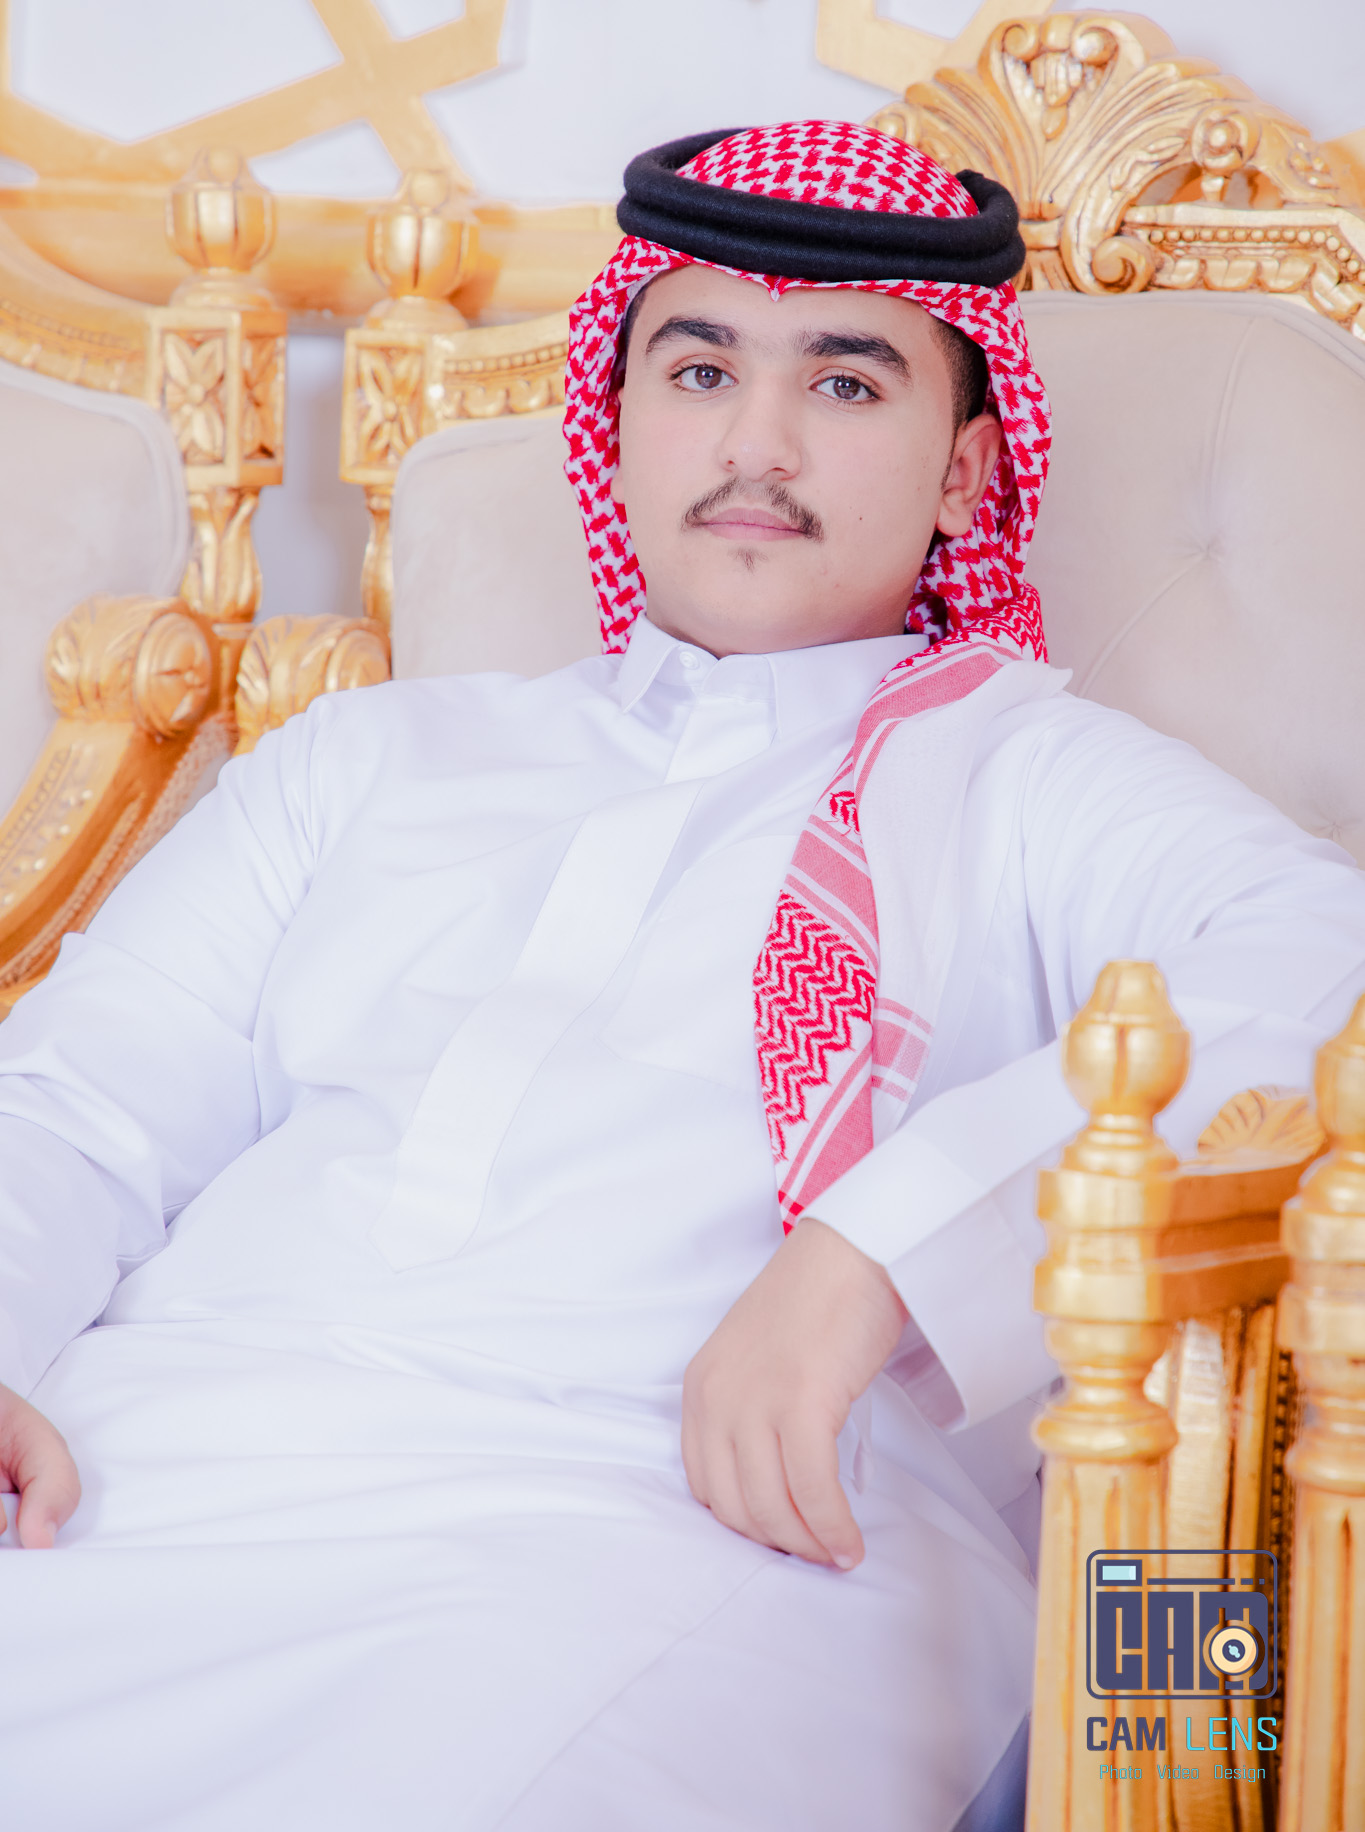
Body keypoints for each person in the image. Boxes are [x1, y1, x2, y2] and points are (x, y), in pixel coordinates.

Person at [0, 121, 1361, 1832]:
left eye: (845, 383)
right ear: (620, 412)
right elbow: (78, 1102)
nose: (754, 445)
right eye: (700, 368)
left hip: (678, 1527)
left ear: (964, 470)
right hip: (149, 1453)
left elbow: (1323, 968)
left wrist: (874, 1254)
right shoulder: (368, 757)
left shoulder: (1031, 777)